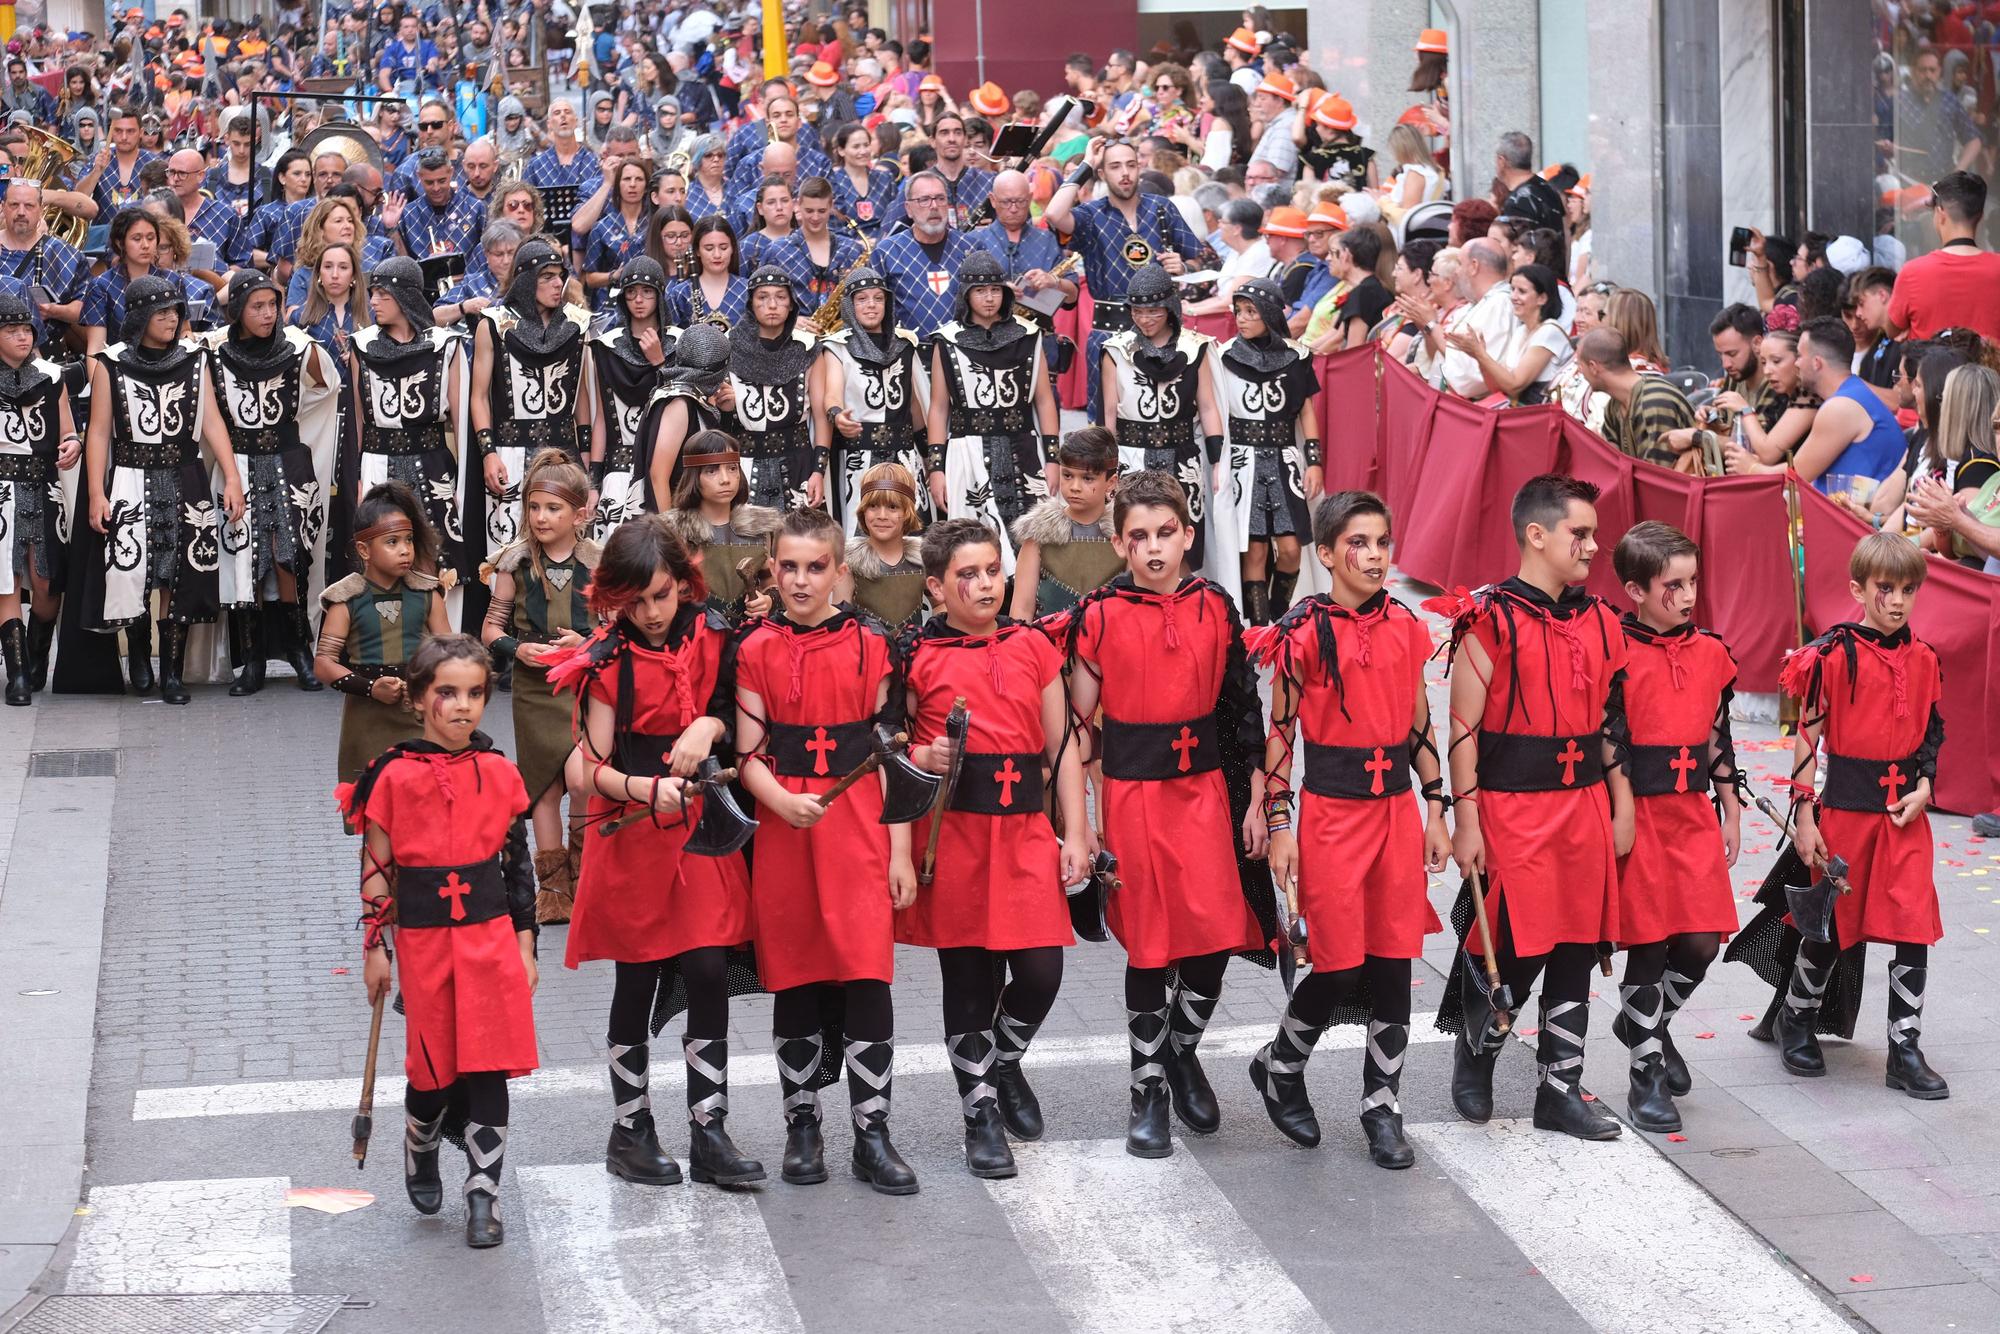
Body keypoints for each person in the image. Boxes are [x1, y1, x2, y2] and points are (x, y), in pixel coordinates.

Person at [545, 514, 765, 1187]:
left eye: (661, 596)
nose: (648, 613)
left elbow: (732, 698)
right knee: (636, 979)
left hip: (699, 826)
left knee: (706, 967)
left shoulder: (713, 632)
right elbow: (589, 770)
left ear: (684, 583)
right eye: (633, 601)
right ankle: (630, 1129)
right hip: (633, 829)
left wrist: (708, 721)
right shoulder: (608, 661)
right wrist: (644, 787)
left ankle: (710, 1130)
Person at [1061, 470, 1271, 1159]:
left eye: (1166, 533)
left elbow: (1243, 709)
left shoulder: (1215, 604)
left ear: (1187, 534)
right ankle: (1146, 1087)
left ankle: (1181, 1050)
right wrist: (1081, 820)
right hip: (1134, 797)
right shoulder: (1099, 614)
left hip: (1206, 791)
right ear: (1121, 544)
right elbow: (1078, 724)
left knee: (1212, 940)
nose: (1154, 548)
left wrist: (1259, 800)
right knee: (1151, 947)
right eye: (1139, 537)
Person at [1243, 491, 1449, 1168]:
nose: (1374, 555)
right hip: (1330, 815)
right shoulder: (1299, 633)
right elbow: (1279, 739)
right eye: (1358, 543)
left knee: (1393, 960)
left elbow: (1419, 725)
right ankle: (1281, 1063)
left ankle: (1381, 1104)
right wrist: (1280, 826)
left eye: (1383, 542)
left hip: (1395, 812)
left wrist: (1438, 806)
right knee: (1336, 964)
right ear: (1326, 554)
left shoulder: (1408, 627)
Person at [1436, 474, 1630, 1140]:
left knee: (1577, 947)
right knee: (1516, 948)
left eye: (1594, 536)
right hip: (1512, 810)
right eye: (1580, 534)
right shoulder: (1487, 619)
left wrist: (1621, 803)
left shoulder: (1600, 619)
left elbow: (1611, 722)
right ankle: (1477, 1052)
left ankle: (1560, 1091)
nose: (1592, 547)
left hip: (1581, 807)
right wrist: (1465, 821)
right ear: (1537, 535)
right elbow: (1462, 731)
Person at [733, 506, 919, 1194]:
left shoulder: (873, 645)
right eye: (790, 567)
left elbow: (890, 753)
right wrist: (779, 801)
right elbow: (747, 751)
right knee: (799, 974)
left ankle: (873, 1132)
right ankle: (802, 1126)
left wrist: (900, 852)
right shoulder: (753, 647)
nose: (802, 580)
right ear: (773, 570)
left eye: (817, 567)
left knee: (867, 972)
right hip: (786, 830)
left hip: (860, 828)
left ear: (841, 572)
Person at [896, 516, 1089, 1175]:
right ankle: (979, 1111)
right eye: (967, 575)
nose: (984, 585)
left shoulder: (1034, 644)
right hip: (956, 837)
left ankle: (1003, 1060)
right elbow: (893, 755)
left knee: (1041, 970)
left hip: (1024, 830)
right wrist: (923, 751)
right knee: (970, 979)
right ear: (936, 587)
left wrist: (1077, 830)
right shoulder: (916, 655)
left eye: (991, 571)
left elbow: (1062, 745)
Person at [338, 633, 538, 1250]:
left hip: (490, 940)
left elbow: (516, 867)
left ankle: (484, 1194)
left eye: (475, 693)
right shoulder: (391, 776)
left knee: (488, 1068)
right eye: (447, 693)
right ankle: (420, 1138)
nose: (463, 706)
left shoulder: (500, 772)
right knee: (432, 1073)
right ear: (420, 698)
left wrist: (527, 947)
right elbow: (378, 870)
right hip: (425, 942)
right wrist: (376, 947)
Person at [1772, 534, 1946, 1100]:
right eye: (1885, 589)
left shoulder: (1925, 658)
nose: (1897, 601)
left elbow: (1930, 738)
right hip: (1845, 814)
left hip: (1904, 821)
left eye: (1909, 590)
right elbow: (1806, 739)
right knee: (1829, 929)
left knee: (1912, 928)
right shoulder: (1832, 655)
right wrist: (1804, 816)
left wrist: (1925, 787)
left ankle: (1905, 1047)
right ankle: (1796, 1019)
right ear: (1858, 589)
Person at [1605, 522, 1744, 1134]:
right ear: (1636, 590)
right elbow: (1606, 738)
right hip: (1641, 813)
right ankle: (1646, 1072)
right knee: (1650, 941)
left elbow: (1717, 733)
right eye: (1673, 586)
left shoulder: (1713, 650)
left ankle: (1647, 1022)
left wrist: (1731, 801)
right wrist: (1619, 811)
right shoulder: (1615, 650)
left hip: (1693, 815)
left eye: (1693, 582)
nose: (1688, 596)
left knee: (1702, 942)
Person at [81, 274, 244, 703]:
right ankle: (137, 655)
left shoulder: (196, 360)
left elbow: (211, 423)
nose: (171, 319)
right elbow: (98, 433)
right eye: (162, 312)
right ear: (139, 316)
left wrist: (231, 476)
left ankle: (171, 670)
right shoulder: (110, 363)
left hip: (184, 475)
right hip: (130, 476)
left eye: (175, 311)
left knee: (181, 574)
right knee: (131, 571)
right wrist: (97, 493)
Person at [208, 269, 342, 697]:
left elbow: (328, 384)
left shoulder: (297, 347)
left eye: (272, 305)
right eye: (257, 306)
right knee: (242, 558)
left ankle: (299, 650)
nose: (267, 314)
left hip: (288, 461)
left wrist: (309, 343)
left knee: (290, 557)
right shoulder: (215, 353)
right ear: (238, 311)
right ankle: (252, 659)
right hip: (240, 463)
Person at [479, 449, 595, 923]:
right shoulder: (515, 563)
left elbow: (618, 624)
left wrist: (586, 643)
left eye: (554, 508)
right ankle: (553, 890)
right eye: (534, 507)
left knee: (582, 777)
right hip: (533, 686)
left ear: (580, 513)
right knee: (543, 789)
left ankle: (585, 872)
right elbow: (490, 628)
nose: (542, 518)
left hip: (583, 682)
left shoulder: (599, 563)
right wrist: (515, 650)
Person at [1043, 137, 1205, 420]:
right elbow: (1054, 214)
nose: (1125, 173)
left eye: (1131, 165)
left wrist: (1185, 267)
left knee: (1164, 418)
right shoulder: (1092, 214)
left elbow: (1205, 259)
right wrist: (1085, 165)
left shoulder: (1161, 208)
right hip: (1110, 333)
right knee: (1107, 424)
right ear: (1102, 174)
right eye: (1115, 167)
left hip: (1163, 333)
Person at [467, 239, 593, 590]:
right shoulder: (492, 324)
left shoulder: (577, 324)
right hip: (509, 450)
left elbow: (581, 396)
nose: (557, 284)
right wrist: (488, 452)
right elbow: (479, 397)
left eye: (560, 276)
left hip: (561, 451)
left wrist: (584, 455)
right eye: (547, 276)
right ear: (525, 278)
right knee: (506, 550)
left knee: (567, 548)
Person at [925, 251, 1057, 575]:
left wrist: (1053, 458)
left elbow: (1043, 400)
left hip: (1023, 449)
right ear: (966, 294)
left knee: (1032, 542)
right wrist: (937, 468)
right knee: (972, 546)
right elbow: (939, 408)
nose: (989, 298)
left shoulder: (1029, 335)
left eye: (996, 290)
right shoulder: (948, 340)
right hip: (967, 452)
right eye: (980, 290)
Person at [315, 482, 453, 781]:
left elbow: (451, 656)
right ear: (364, 549)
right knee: (374, 807)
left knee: (424, 800)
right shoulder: (346, 598)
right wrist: (369, 688)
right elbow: (324, 664)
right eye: (392, 542)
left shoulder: (428, 593)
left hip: (419, 714)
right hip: (365, 719)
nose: (405, 550)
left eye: (409, 539)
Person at [348, 257, 469, 588]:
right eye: (372, 294)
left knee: (434, 556)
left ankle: (437, 637)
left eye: (382, 294)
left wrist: (460, 486)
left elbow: (462, 422)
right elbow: (357, 421)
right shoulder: (362, 345)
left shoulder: (446, 345)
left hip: (432, 464)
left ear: (406, 297)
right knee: (380, 558)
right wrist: (356, 476)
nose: (373, 302)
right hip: (377, 463)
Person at [1099, 264, 1222, 572]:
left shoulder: (1196, 348)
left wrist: (1219, 461)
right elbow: (1110, 414)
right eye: (1138, 311)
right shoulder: (1116, 350)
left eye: (1153, 311)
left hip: (1183, 456)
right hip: (1131, 455)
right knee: (1133, 541)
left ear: (1170, 307)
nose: (1144, 319)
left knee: (1181, 543)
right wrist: (1107, 468)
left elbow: (1207, 407)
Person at [1216, 278, 1321, 625]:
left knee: (1291, 549)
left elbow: (1305, 410)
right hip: (1244, 463)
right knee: (1255, 550)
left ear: (1270, 314)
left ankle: (1279, 614)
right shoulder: (1224, 356)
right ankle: (1260, 628)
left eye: (1251, 311)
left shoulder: (1296, 356)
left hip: (1284, 460)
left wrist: (1315, 462)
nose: (1242, 319)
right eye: (1238, 312)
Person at [0, 291, 79, 705]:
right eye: (11, 330)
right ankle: (17, 676)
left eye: (26, 329)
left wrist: (72, 443)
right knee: (5, 580)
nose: (21, 337)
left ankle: (36, 659)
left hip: (45, 487)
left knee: (48, 584)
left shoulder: (51, 376)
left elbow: (67, 428)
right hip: (0, 492)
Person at [813, 267, 929, 535]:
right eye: (862, 299)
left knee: (910, 532)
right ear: (850, 304)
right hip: (858, 456)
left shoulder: (905, 343)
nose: (871, 305)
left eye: (878, 298)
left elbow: (917, 408)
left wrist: (932, 462)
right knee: (861, 533)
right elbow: (832, 394)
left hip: (904, 454)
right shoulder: (837, 346)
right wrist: (837, 415)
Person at [1737, 318, 1906, 494]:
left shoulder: (1840, 407)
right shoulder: (1852, 393)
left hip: (1857, 518)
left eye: (1800, 356)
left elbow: (1794, 477)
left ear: (1816, 363)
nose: (1796, 363)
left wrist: (1751, 468)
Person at [723, 265, 822, 511]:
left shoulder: (807, 347)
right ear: (751, 303)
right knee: (748, 546)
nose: (772, 305)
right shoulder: (728, 347)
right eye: (763, 297)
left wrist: (819, 470)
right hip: (745, 464)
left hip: (799, 463)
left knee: (802, 544)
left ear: (791, 304)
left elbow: (821, 417)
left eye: (780, 297)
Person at [589, 257, 673, 537]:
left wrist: (660, 361)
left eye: (648, 291)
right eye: (631, 292)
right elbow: (601, 418)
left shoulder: (678, 343)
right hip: (618, 471)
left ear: (660, 295)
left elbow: (684, 406)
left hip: (667, 470)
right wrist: (593, 481)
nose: (639, 300)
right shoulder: (604, 346)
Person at [659, 431, 780, 617]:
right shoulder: (671, 531)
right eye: (712, 470)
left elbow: (772, 582)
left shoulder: (759, 527)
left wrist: (768, 600)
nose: (725, 479)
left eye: (732, 468)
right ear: (694, 477)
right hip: (693, 636)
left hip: (748, 638)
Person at [1009, 427, 1125, 619]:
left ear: (1111, 483)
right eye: (1067, 475)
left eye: (1087, 478)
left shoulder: (1124, 534)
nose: (1075, 487)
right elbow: (1021, 609)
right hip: (1047, 644)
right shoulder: (1039, 533)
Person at [1887, 170, 2000, 342]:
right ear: (1980, 217)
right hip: (1989, 369)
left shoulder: (1913, 272)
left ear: (1940, 213)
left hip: (1930, 368)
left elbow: (1892, 329)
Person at [871, 170, 977, 340]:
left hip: (965, 354)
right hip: (909, 356)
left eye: (940, 198)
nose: (934, 206)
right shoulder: (887, 252)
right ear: (908, 209)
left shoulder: (971, 247)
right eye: (924, 200)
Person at [1447, 262, 1572, 404]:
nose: (1513, 296)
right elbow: (1498, 387)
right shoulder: (1520, 332)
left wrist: (1480, 354)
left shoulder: (1550, 331)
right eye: (1512, 289)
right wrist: (1479, 356)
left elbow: (1514, 386)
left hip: (1541, 419)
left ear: (1542, 298)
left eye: (1522, 291)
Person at [1576, 326, 1698, 469]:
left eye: (1579, 364)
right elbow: (1612, 467)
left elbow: (1660, 478)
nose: (1579, 371)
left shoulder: (1654, 402)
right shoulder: (1614, 406)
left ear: (1593, 367)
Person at [840, 461, 928, 629]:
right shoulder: (849, 562)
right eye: (873, 506)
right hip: (866, 650)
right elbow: (840, 618)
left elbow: (940, 605)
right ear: (863, 510)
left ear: (907, 512)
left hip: (915, 650)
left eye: (892, 507)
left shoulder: (923, 558)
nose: (882, 515)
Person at [774, 177, 863, 315]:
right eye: (809, 211)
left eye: (821, 211)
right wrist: (790, 321)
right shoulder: (778, 251)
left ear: (831, 205)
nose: (815, 218)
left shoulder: (851, 250)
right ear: (797, 204)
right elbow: (762, 301)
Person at [664, 216, 749, 331]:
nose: (717, 255)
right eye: (709, 248)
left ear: (733, 249)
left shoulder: (748, 289)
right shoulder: (680, 293)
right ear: (697, 251)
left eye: (723, 248)